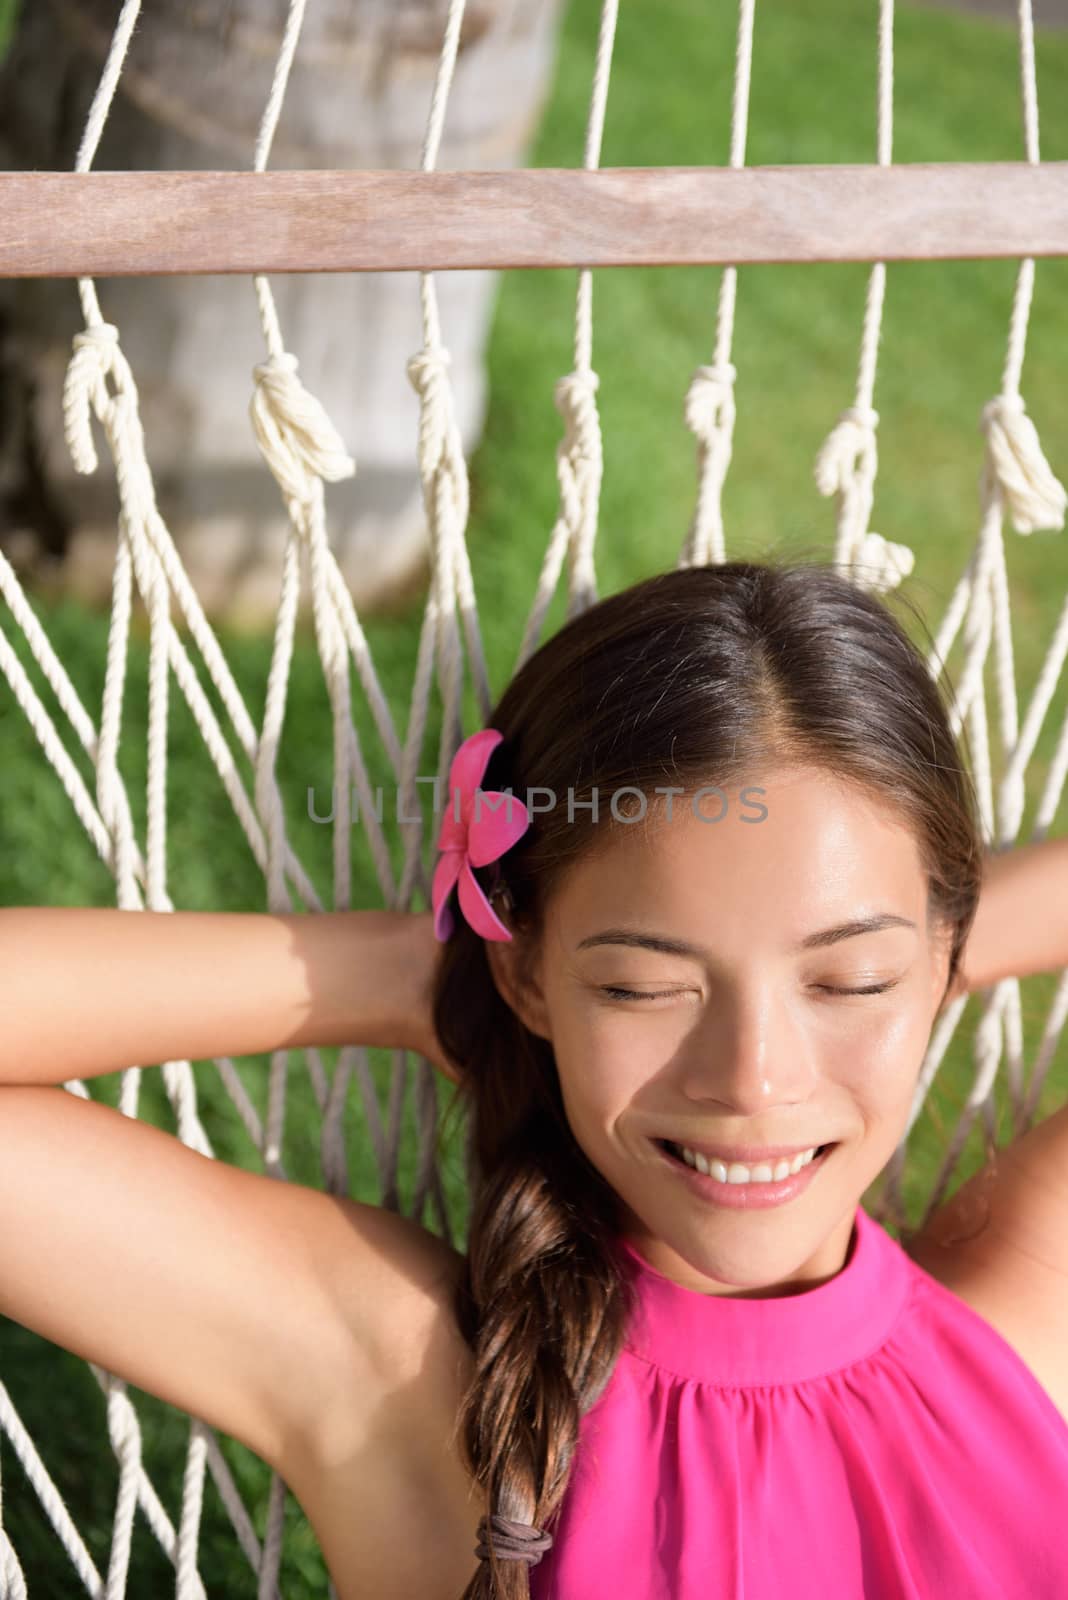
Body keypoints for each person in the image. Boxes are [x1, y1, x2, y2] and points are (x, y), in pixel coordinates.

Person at [2, 557, 1067, 1600]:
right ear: (530, 972)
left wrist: (934, 962)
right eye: (644, 986)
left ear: (944, 957)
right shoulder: (406, 1383)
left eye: (848, 977)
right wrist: (420, 974)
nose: (754, 1079)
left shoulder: (1028, 1330)